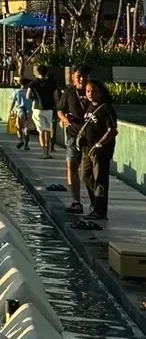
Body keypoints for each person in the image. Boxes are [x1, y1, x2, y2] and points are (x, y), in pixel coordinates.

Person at [76, 80, 118, 230]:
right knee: (86, 175)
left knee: (100, 178)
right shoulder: (89, 107)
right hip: (87, 149)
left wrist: (100, 144)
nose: (90, 94)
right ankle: (95, 204)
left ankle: (100, 211)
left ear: (101, 92)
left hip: (101, 150)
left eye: (94, 91)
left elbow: (112, 130)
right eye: (88, 91)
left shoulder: (106, 108)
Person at [58, 67, 89, 213]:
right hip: (73, 134)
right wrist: (64, 118)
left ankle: (96, 203)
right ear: (73, 77)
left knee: (88, 171)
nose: (81, 79)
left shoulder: (92, 90)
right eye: (78, 76)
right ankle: (76, 201)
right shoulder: (69, 91)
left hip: (90, 137)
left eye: (84, 76)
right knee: (72, 166)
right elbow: (60, 109)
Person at [33, 73, 57, 159]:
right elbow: (56, 97)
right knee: (48, 131)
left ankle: (44, 153)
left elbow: (28, 95)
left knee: (41, 132)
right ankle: (48, 152)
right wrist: (57, 108)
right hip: (49, 109)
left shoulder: (34, 83)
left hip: (38, 109)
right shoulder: (51, 83)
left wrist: (35, 98)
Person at [10, 78, 37, 151]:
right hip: (29, 111)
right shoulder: (31, 91)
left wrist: (10, 110)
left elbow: (13, 102)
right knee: (26, 129)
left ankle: (21, 140)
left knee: (18, 127)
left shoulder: (16, 91)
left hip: (20, 111)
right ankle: (26, 145)